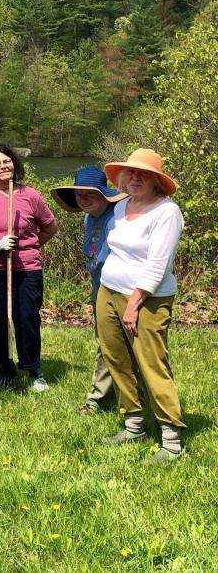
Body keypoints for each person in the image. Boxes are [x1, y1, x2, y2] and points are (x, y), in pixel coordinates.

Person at [97, 149, 185, 461]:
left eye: (144, 174)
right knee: (116, 357)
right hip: (109, 291)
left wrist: (133, 305)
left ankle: (171, 438)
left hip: (146, 299)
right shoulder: (122, 207)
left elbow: (157, 265)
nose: (135, 178)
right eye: (130, 173)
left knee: (151, 363)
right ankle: (134, 423)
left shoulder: (166, 212)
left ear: (156, 180)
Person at [0, 143, 58, 391]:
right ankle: (5, 368)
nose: (2, 166)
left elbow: (50, 228)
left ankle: (32, 368)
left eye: (6, 161)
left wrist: (28, 246)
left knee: (27, 318)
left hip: (26, 269)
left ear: (14, 163)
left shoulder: (31, 196)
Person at [51, 166, 126, 415]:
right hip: (100, 287)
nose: (83, 199)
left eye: (89, 194)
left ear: (104, 194)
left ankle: (125, 401)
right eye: (79, 194)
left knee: (124, 345)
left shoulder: (118, 216)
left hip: (122, 289)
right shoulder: (89, 217)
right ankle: (102, 399)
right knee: (106, 343)